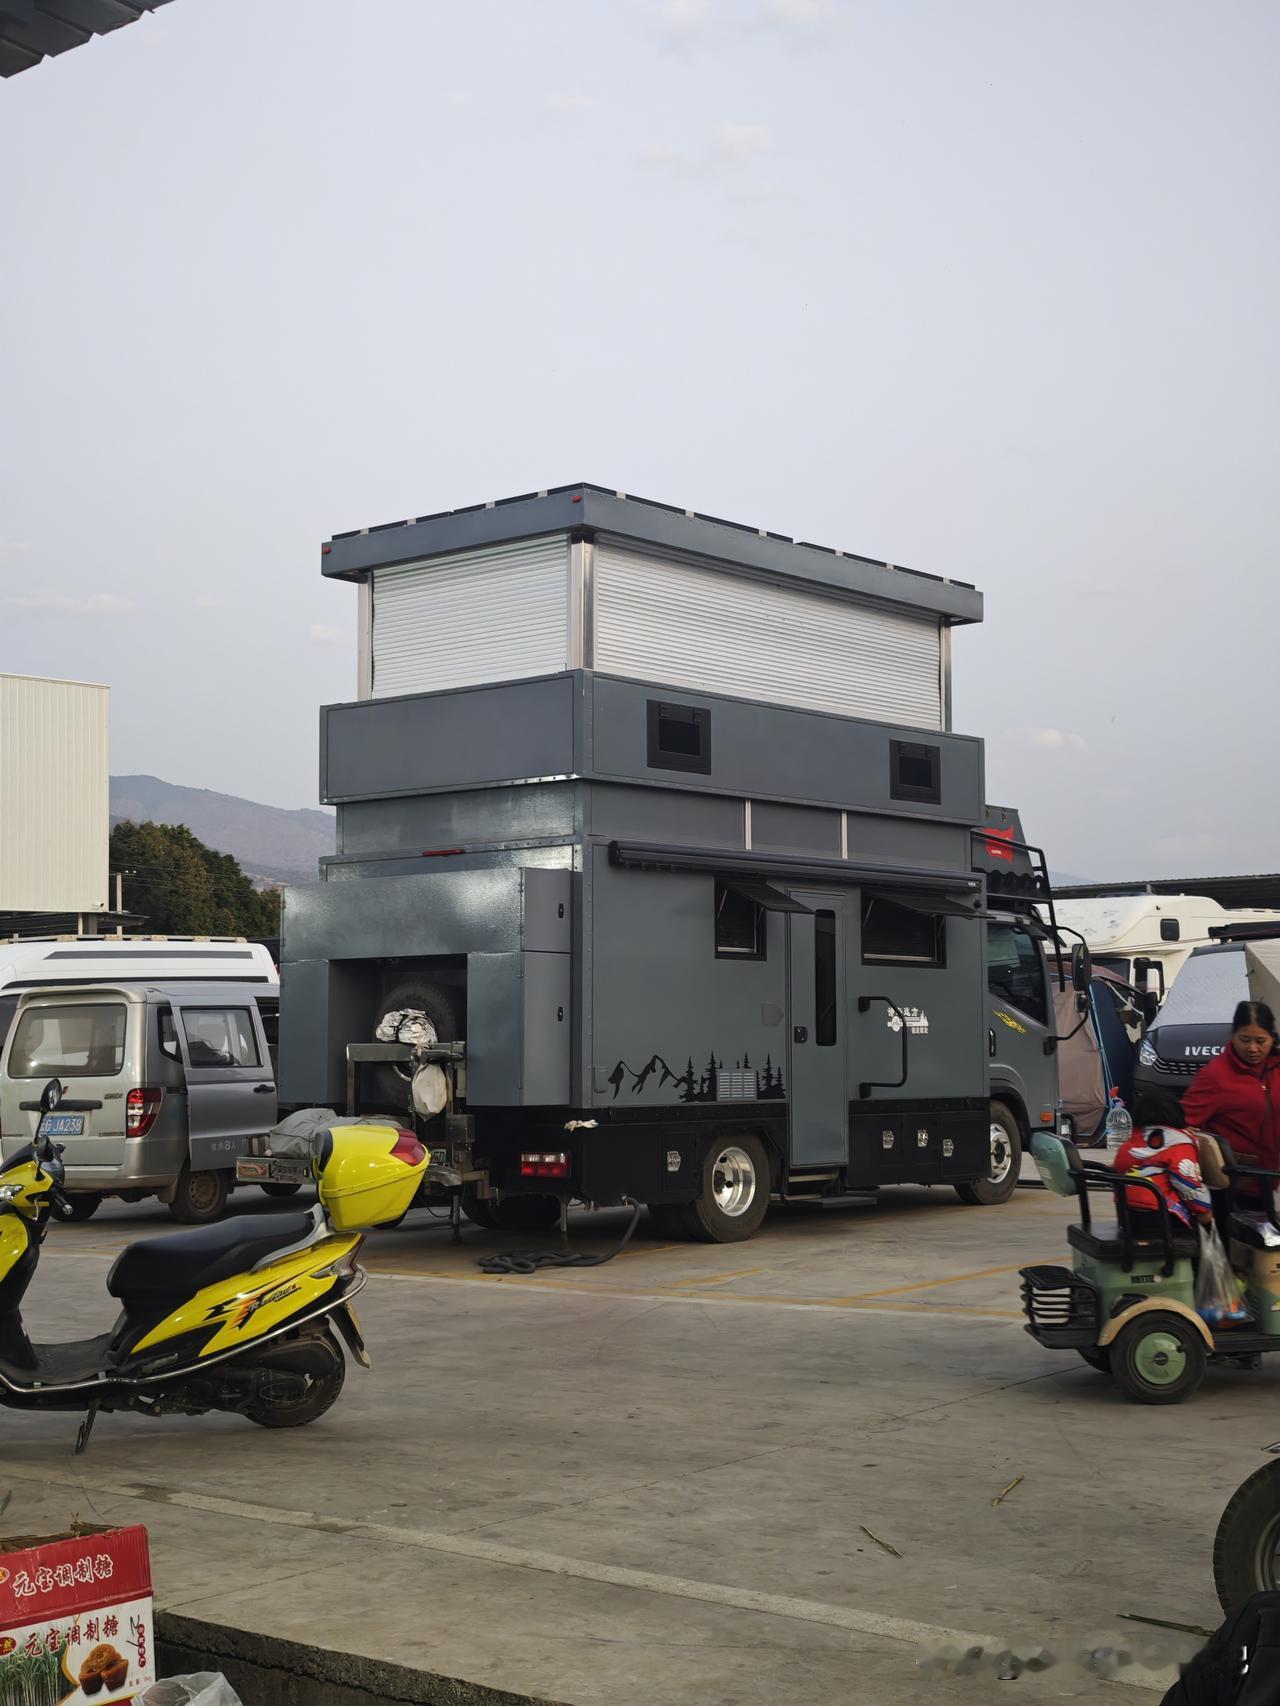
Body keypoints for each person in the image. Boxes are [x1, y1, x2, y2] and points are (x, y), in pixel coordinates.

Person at [1181, 1001, 1280, 1200]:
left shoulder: (1276, 1067)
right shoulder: (1215, 1075)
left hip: (1273, 1181)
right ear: (1233, 1036)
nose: (1252, 1048)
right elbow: (1181, 1123)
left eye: (1261, 1041)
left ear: (1273, 1038)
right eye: (1245, 1040)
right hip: (1236, 1188)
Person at [1111, 1090, 1214, 1227]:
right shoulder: (1178, 1145)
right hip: (1162, 1218)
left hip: (1126, 1215)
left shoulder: (1129, 1145)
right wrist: (1204, 1212)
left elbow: (1118, 1167)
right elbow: (1187, 1184)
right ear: (1177, 1114)